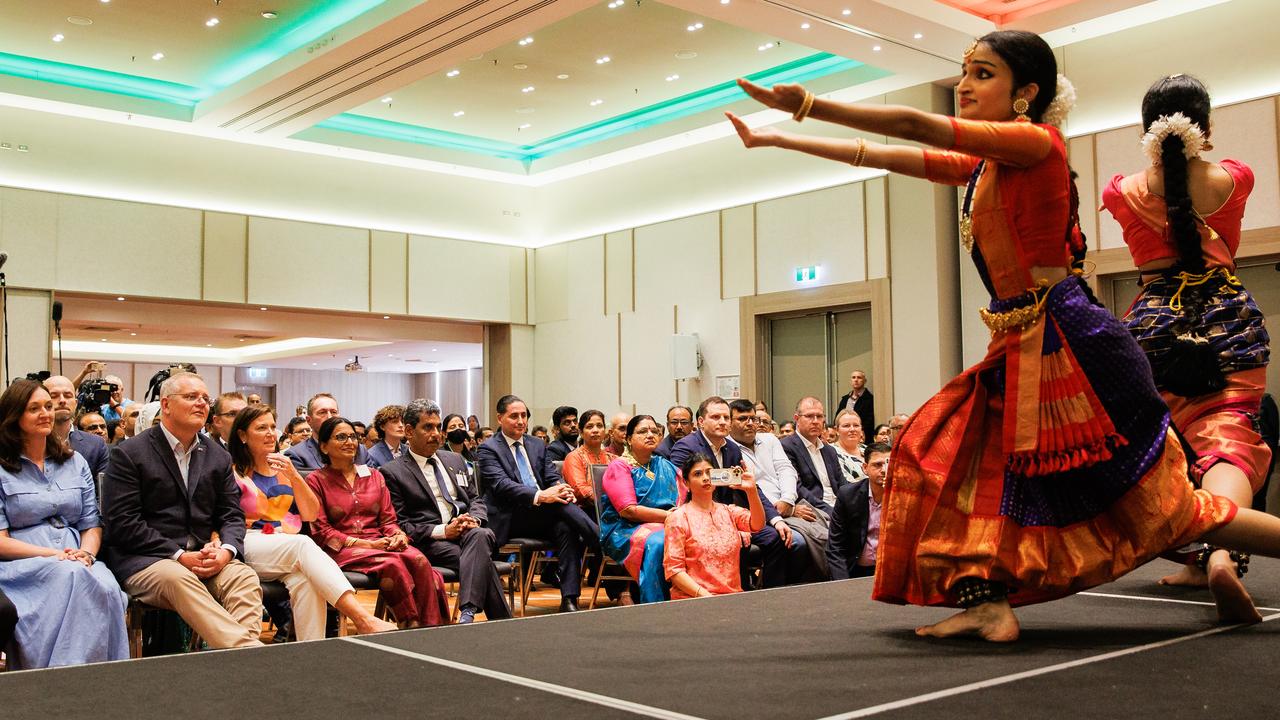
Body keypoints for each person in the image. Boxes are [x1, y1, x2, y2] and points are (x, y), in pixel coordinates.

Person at [729, 29, 1280, 640]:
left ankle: (995, 599)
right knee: (952, 459)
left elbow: (919, 128)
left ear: (1027, 93)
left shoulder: (1034, 143)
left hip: (1067, 340)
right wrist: (783, 138)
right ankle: (990, 602)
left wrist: (807, 104)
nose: (964, 85)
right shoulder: (992, 163)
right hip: (1023, 338)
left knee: (1168, 508)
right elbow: (889, 154)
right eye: (964, 73)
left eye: (983, 73)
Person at [1102, 74, 1271, 619]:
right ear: (1208, 129)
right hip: (1228, 320)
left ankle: (1198, 556)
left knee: (1172, 446)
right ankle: (1223, 550)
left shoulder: (1120, 191)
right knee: (1231, 437)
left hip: (1154, 326)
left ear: (1145, 129)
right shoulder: (1236, 179)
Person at [101, 372, 263, 648]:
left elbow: (231, 515)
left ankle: (236, 670)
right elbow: (123, 522)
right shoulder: (129, 454)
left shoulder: (218, 456)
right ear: (165, 405)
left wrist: (226, 550)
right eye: (191, 397)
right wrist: (178, 555)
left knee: (243, 577)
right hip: (148, 560)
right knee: (179, 579)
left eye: (205, 398)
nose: (201, 403)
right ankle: (249, 655)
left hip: (203, 556)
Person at [228, 406, 396, 639]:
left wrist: (294, 475)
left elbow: (309, 515)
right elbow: (224, 518)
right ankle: (362, 617)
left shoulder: (284, 468)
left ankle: (311, 654)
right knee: (303, 544)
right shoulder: (232, 471)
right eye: (261, 428)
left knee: (306, 581)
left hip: (285, 546)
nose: (269, 433)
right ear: (242, 435)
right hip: (249, 540)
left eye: (271, 427)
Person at [0, 380, 128, 668]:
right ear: (14, 416)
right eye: (34, 408)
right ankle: (60, 679)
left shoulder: (75, 461)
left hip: (77, 554)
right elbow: (1, 540)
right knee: (74, 578)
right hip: (23, 563)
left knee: (109, 589)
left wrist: (87, 554)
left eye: (47, 406)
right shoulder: (2, 466)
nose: (46, 412)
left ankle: (107, 681)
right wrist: (55, 555)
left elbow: (91, 523)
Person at [304, 417, 450, 628]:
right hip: (341, 549)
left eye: (353, 437)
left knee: (419, 559)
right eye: (341, 437)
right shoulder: (316, 480)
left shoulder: (373, 476)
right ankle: (410, 623)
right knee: (393, 565)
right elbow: (322, 531)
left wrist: (397, 535)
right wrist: (368, 545)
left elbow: (388, 520)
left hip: (380, 543)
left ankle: (433, 625)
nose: (349, 442)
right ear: (324, 446)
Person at [382, 400, 511, 624]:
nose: (436, 434)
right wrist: (444, 531)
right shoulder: (392, 472)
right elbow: (402, 525)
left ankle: (469, 613)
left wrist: (475, 519)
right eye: (427, 427)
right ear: (410, 431)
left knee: (480, 534)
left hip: (469, 532)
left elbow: (475, 499)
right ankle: (497, 621)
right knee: (481, 557)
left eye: (437, 427)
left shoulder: (454, 459)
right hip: (432, 542)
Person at [476, 395, 600, 612]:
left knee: (566, 527)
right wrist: (542, 496)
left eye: (524, 415)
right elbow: (502, 485)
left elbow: (552, 476)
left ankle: (569, 599)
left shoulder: (536, 444)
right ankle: (601, 541)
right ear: (499, 418)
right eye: (514, 416)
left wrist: (563, 489)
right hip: (511, 516)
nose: (521, 421)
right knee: (562, 508)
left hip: (544, 514)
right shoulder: (489, 448)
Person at [670, 396, 795, 589]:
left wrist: (776, 520)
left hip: (731, 516)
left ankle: (770, 595)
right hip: (699, 518)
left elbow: (750, 488)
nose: (722, 422)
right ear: (701, 422)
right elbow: (681, 490)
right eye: (716, 417)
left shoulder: (732, 449)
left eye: (726, 417)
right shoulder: (686, 447)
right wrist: (731, 527)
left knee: (775, 538)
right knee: (736, 540)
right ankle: (737, 591)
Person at [600, 415, 681, 603]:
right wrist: (670, 517)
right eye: (643, 431)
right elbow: (628, 510)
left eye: (654, 431)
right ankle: (655, 603)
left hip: (669, 521)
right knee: (660, 542)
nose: (650, 435)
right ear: (629, 439)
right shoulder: (619, 467)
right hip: (624, 529)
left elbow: (683, 495)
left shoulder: (664, 465)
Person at [664, 454, 765, 599]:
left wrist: (752, 491)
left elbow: (758, 524)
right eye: (698, 474)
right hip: (693, 599)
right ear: (686, 483)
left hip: (732, 596)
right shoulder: (678, 517)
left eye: (709, 472)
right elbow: (674, 570)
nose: (705, 478)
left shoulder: (729, 511)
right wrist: (706, 596)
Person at [827, 442, 890, 580]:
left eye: (888, 464)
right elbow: (835, 547)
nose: (884, 470)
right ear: (865, 468)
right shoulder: (848, 496)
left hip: (891, 574)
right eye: (877, 465)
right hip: (857, 572)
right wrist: (843, 586)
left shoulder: (902, 497)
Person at [42, 375, 108, 483]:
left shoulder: (96, 445)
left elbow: (100, 493)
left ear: (76, 403)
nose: (62, 400)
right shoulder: (32, 442)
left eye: (68, 396)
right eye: (54, 396)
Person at [286, 393, 370, 474]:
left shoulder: (360, 450)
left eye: (333, 412)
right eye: (322, 412)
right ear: (309, 420)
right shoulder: (296, 455)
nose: (330, 417)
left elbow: (372, 483)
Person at [560, 409, 617, 512]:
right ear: (581, 432)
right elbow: (580, 489)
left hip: (615, 508)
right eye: (590, 427)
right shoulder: (574, 457)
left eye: (599, 426)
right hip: (586, 512)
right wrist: (612, 499)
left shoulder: (614, 459)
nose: (595, 430)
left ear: (605, 431)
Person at [832, 409, 868, 484]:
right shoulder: (830, 452)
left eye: (856, 425)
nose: (852, 429)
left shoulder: (868, 450)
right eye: (846, 426)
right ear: (836, 430)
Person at [367, 404, 408, 469]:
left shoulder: (409, 450)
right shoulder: (372, 455)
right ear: (382, 426)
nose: (401, 425)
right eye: (395, 422)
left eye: (402, 422)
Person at [837, 370, 876, 435]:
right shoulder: (845, 399)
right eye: (853, 377)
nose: (856, 380)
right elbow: (838, 418)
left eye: (859, 377)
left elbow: (869, 422)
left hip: (862, 436)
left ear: (864, 381)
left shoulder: (870, 399)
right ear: (851, 381)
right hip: (844, 434)